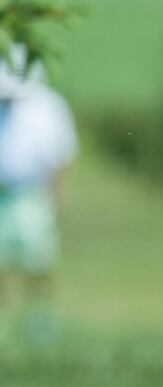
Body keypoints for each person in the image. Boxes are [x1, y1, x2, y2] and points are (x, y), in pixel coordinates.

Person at [0, 50, 78, 344]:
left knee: (38, 262)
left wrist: (58, 196)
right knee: (2, 264)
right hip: (2, 194)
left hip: (32, 194)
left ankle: (39, 322)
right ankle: (4, 323)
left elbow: (59, 157)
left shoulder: (48, 107)